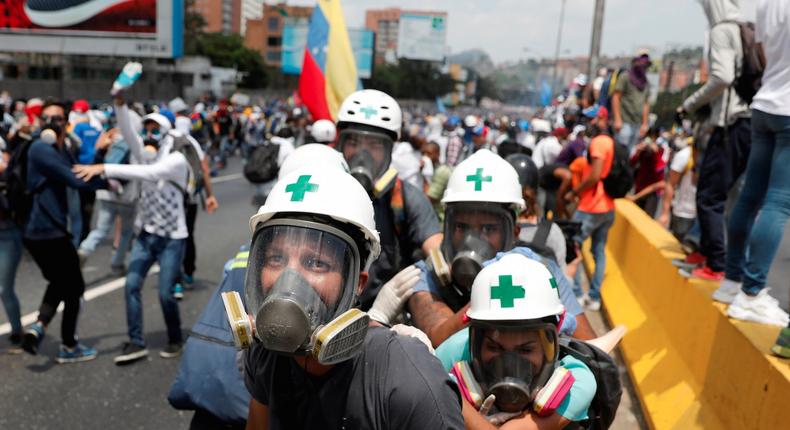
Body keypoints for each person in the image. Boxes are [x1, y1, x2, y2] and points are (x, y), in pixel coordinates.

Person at [242, 167, 464, 429]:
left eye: (315, 262)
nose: (290, 279)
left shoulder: (407, 379)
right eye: (276, 259)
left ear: (357, 283)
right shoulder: (266, 353)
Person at [375, 150, 587, 347]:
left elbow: (591, 348)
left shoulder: (542, 271)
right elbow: (439, 337)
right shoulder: (425, 275)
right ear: (447, 228)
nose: (473, 239)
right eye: (462, 227)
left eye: (488, 228)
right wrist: (497, 287)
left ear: (514, 233)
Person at [74, 94, 192, 364]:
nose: (149, 134)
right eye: (147, 128)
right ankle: (136, 342)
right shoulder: (142, 153)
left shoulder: (175, 160)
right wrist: (119, 103)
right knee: (131, 285)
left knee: (165, 294)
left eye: (155, 130)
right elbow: (126, 131)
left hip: (172, 238)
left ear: (166, 134)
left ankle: (175, 338)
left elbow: (150, 174)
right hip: (146, 234)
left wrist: (104, 167)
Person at [436, 253, 596, 429]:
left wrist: (455, 399)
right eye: (494, 347)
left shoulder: (578, 382)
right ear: (475, 341)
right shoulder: (453, 353)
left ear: (551, 345)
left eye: (525, 350)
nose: (509, 363)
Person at [717, 0, 790, 328]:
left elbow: (761, 54)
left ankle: (733, 283)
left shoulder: (767, 4)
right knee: (778, 201)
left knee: (750, 196)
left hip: (765, 104)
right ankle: (752, 293)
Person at [335, 89, 442, 310]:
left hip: (381, 317)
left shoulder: (405, 198)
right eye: (353, 142)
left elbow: (438, 251)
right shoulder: (322, 190)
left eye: (374, 145)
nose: (361, 154)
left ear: (390, 150)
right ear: (341, 143)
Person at [21, 100, 108, 363]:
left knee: (60, 282)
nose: (52, 123)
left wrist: (100, 156)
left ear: (66, 122)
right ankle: (69, 346)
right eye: (47, 118)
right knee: (74, 287)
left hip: (54, 230)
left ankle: (38, 327)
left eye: (57, 119)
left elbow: (79, 169)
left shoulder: (62, 147)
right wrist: (112, 178)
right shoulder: (40, 148)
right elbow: (75, 178)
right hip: (44, 232)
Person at [676, 0, 752, 281]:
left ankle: (716, 263)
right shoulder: (745, 29)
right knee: (718, 193)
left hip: (729, 126)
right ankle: (708, 253)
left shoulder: (722, 31)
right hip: (745, 123)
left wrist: (689, 104)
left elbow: (722, 76)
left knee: (709, 196)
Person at [563, 107, 616, 311]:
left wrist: (573, 192)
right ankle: (594, 297)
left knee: (571, 245)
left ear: (601, 118)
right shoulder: (611, 141)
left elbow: (594, 176)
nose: (588, 122)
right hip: (608, 206)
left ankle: (575, 293)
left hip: (592, 205)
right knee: (598, 250)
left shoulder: (599, 142)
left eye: (591, 118)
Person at [77, 127, 139, 274]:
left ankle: (84, 250)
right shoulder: (135, 143)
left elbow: (96, 162)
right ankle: (117, 263)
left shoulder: (107, 140)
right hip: (127, 195)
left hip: (106, 192)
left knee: (100, 229)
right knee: (126, 232)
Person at [658, 135, 697, 241]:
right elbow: (670, 184)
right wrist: (664, 213)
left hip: (703, 216)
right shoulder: (684, 155)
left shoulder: (717, 156)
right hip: (683, 213)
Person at [612, 52, 652, 152]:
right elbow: (616, 97)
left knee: (631, 153)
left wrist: (644, 123)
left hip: (637, 124)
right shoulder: (625, 77)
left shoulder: (645, 82)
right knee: (620, 152)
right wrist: (617, 119)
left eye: (645, 65)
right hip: (624, 122)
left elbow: (646, 103)